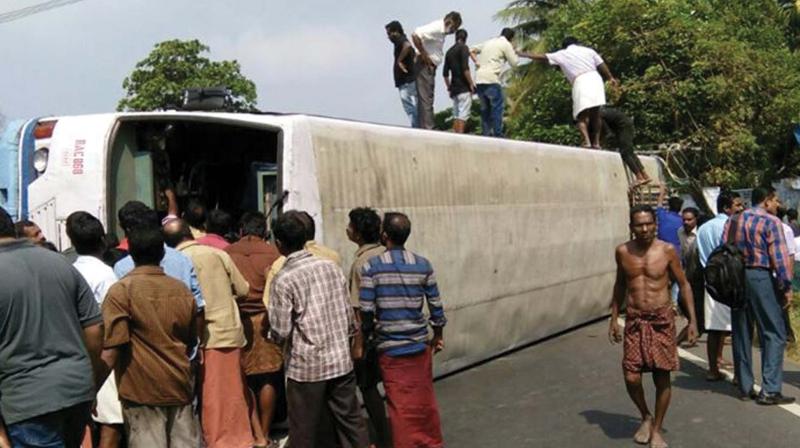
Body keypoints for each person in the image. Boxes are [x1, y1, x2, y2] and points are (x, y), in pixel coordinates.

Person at [0, 206, 105, 448]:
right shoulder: (61, 263)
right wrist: (88, 376)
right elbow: (94, 330)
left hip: (27, 400)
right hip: (75, 390)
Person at [268, 211, 368, 448]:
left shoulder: (284, 278)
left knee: (303, 430)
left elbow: (280, 331)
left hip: (306, 368)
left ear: (279, 244)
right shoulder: (330, 266)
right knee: (351, 423)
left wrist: (273, 338)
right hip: (340, 360)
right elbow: (347, 315)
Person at [608, 205, 698, 448]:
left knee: (662, 376)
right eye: (639, 224)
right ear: (631, 227)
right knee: (631, 376)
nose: (645, 229)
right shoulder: (623, 252)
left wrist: (692, 320)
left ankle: (657, 428)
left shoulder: (667, 250)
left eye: (649, 224)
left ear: (655, 225)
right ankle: (645, 415)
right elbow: (620, 285)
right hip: (635, 320)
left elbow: (684, 284)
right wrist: (614, 317)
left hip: (661, 320)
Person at [101, 227, 200, 447]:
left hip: (142, 392)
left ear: (131, 254)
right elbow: (192, 338)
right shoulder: (182, 290)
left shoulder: (121, 291)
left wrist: (92, 387)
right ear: (162, 254)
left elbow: (113, 348)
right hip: (179, 385)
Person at [163, 219, 253, 448]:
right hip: (226, 330)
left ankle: (218, 440)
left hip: (195, 335)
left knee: (208, 393)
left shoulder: (174, 261)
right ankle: (237, 438)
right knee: (231, 391)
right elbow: (243, 289)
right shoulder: (218, 254)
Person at [360, 212, 447, 448]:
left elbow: (366, 310)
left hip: (390, 349)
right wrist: (438, 335)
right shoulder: (423, 265)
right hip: (419, 346)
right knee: (424, 401)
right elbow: (436, 306)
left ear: (384, 235)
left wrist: (366, 337)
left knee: (399, 405)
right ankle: (430, 442)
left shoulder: (371, 267)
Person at [724, 186, 795, 405]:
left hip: (736, 277)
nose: (777, 205)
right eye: (775, 200)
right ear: (765, 201)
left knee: (742, 331)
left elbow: (725, 246)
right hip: (760, 276)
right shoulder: (771, 222)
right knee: (774, 332)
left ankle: (745, 386)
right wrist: (786, 287)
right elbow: (780, 259)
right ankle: (770, 389)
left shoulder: (734, 220)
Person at [225, 212, 285, 447]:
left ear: (241, 230)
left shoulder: (228, 252)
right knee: (268, 376)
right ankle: (265, 432)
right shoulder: (273, 253)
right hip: (265, 319)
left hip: (238, 320)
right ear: (264, 232)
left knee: (243, 378)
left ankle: (252, 431)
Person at [66, 211, 124, 448]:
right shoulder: (106, 274)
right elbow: (112, 319)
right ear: (102, 240)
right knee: (112, 420)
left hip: (73, 350)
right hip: (101, 353)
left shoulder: (69, 270)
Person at [519, 37, 619, 148]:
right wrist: (610, 78)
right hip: (595, 79)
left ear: (565, 46)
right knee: (595, 114)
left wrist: (522, 54)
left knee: (581, 115)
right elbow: (601, 65)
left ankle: (586, 141)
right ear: (577, 43)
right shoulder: (589, 51)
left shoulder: (563, 53)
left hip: (581, 81)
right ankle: (596, 143)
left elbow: (542, 57)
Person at [346, 208, 389, 448]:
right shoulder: (388, 254)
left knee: (368, 385)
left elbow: (358, 309)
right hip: (394, 332)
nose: (347, 229)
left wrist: (357, 344)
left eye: (350, 226)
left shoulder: (360, 263)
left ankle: (382, 435)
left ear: (358, 233)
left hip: (372, 335)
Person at [113, 203, 205, 316]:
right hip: (182, 331)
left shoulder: (122, 267)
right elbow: (198, 307)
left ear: (128, 230)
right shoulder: (182, 259)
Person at [696, 191, 744, 381]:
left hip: (710, 281)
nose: (741, 208)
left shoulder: (703, 228)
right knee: (736, 328)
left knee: (715, 329)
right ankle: (739, 375)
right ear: (726, 208)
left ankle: (713, 367)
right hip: (729, 282)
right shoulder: (729, 225)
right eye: (737, 205)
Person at [412, 11, 462, 130]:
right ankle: (428, 127)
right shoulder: (436, 28)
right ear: (449, 22)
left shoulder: (441, 32)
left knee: (425, 97)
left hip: (429, 65)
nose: (453, 31)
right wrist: (424, 55)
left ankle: (423, 126)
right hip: (425, 65)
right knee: (426, 97)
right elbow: (415, 35)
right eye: (454, 28)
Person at [470, 28, 519, 137]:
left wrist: (477, 62)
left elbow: (471, 50)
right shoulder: (506, 44)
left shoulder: (489, 41)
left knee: (485, 110)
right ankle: (497, 134)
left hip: (479, 79)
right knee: (497, 107)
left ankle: (486, 134)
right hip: (491, 79)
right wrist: (514, 50)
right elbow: (514, 63)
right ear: (511, 38)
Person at [598, 107, 651, 187]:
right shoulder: (602, 112)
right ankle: (645, 175)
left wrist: (600, 144)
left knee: (625, 153)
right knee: (630, 152)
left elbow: (607, 134)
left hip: (623, 127)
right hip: (626, 125)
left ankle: (639, 177)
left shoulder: (598, 116)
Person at [385, 20, 419, 128]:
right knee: (415, 105)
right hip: (408, 79)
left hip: (406, 81)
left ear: (396, 31)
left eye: (390, 33)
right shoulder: (400, 41)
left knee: (409, 107)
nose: (389, 37)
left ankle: (416, 126)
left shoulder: (401, 40)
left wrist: (399, 60)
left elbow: (407, 46)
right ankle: (418, 125)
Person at [443, 29, 475, 134]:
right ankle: (460, 137)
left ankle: (455, 136)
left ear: (456, 37)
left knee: (456, 115)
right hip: (463, 87)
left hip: (454, 88)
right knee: (463, 115)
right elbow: (465, 68)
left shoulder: (449, 51)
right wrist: (471, 83)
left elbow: (445, 74)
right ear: (465, 38)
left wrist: (449, 87)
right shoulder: (464, 48)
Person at [654, 185, 683, 255]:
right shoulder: (682, 220)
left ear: (669, 206)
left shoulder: (663, 215)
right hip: (677, 252)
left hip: (662, 251)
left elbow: (659, 204)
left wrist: (662, 191)